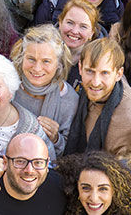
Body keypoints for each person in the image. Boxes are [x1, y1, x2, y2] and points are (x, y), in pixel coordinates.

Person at [63, 38, 131, 158]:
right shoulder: (103, 89)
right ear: (80, 68)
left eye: (104, 73)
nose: (95, 82)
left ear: (118, 74)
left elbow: (123, 173)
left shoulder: (128, 122)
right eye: (90, 71)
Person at [6, 26, 78, 155]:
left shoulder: (69, 99)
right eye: (31, 59)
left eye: (46, 61)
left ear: (59, 64)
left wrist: (56, 138)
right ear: (22, 57)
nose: (37, 68)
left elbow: (70, 151)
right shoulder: (7, 83)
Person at [0, 133, 67, 212]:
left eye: (38, 162)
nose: (29, 170)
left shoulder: (60, 188)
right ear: (5, 162)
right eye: (20, 161)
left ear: (47, 163)